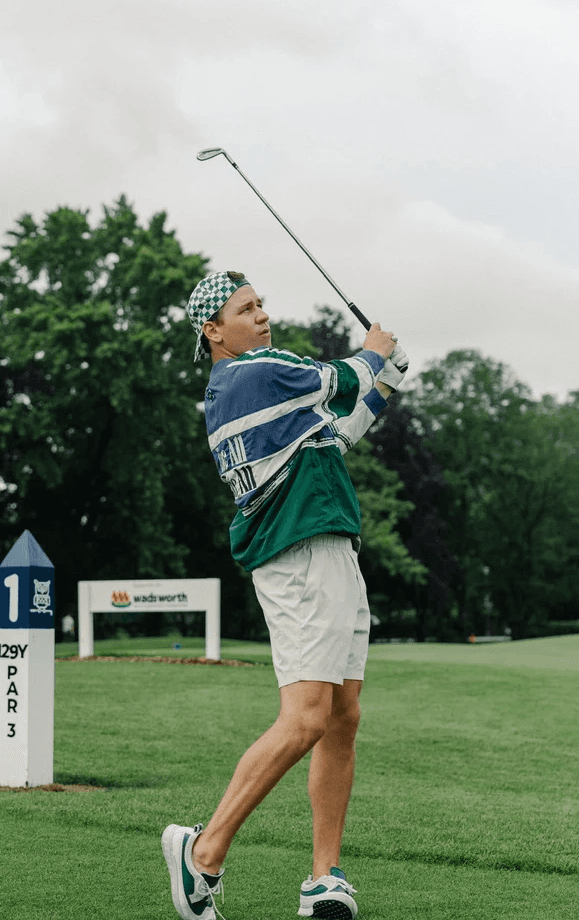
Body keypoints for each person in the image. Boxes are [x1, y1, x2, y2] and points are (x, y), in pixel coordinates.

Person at [162, 271, 409, 920]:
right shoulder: (253, 372)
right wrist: (375, 350)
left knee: (342, 713)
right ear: (213, 330)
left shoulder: (254, 391)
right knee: (305, 717)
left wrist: (384, 377)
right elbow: (338, 379)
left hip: (328, 543)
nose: (261, 316)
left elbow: (338, 430)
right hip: (300, 553)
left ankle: (323, 877)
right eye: (245, 309)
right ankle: (203, 851)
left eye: (261, 304)